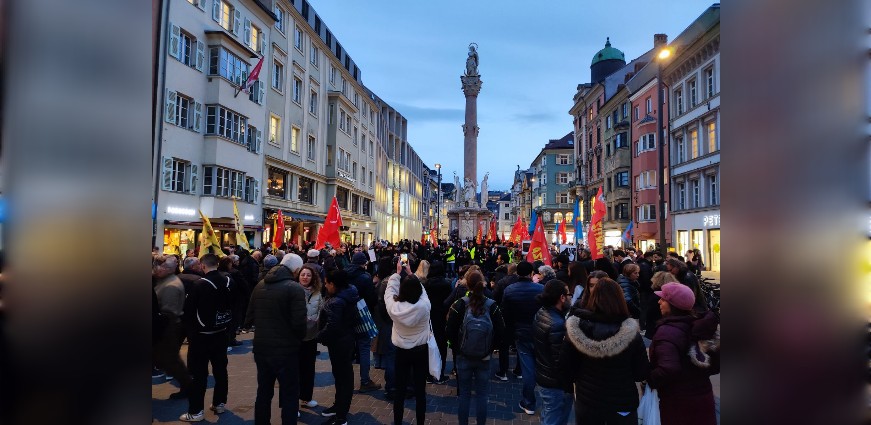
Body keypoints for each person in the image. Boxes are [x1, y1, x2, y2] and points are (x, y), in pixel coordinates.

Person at [560, 278, 650, 425]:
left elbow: (565, 367)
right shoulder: (631, 333)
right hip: (622, 402)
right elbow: (640, 372)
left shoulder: (576, 329)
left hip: (587, 401)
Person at [243, 252, 307, 425]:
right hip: (286, 350)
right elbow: (300, 324)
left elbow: (248, 318)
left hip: (262, 348)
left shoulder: (260, 285)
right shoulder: (295, 289)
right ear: (296, 270)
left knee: (264, 390)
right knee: (289, 393)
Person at [649, 282, 720, 425]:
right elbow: (716, 365)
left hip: (678, 402)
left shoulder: (667, 332)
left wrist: (650, 379)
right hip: (703, 396)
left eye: (663, 299)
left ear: (672, 304)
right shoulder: (699, 326)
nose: (659, 302)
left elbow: (668, 369)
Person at [446, 271, 505, 425]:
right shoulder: (492, 306)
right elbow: (501, 330)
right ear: (483, 284)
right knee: (482, 395)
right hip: (484, 356)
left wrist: (457, 349)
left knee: (464, 394)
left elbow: (450, 330)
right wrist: (490, 349)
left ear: (467, 284)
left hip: (463, 355)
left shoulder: (459, 304)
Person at [180, 254, 233, 422]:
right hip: (221, 332)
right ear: (217, 264)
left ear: (202, 265)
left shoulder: (200, 285)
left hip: (201, 336)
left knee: (198, 375)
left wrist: (190, 331)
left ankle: (196, 411)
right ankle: (219, 403)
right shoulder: (229, 281)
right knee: (220, 370)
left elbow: (188, 312)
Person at [385, 261, 431, 425]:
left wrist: (397, 274)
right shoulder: (425, 306)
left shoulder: (395, 308)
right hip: (420, 350)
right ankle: (420, 422)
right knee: (420, 391)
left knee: (400, 390)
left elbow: (388, 293)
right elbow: (422, 291)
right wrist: (411, 274)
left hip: (402, 351)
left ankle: (398, 421)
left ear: (402, 290)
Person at [317, 269, 359, 425]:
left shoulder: (337, 301)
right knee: (341, 375)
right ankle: (338, 406)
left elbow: (333, 325)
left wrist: (319, 336)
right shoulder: (348, 293)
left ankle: (341, 415)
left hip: (340, 342)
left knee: (344, 377)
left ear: (333, 284)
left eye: (327, 283)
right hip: (344, 340)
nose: (325, 286)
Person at [501, 261, 543, 415]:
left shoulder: (510, 290)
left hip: (520, 332)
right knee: (537, 365)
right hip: (539, 331)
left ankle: (529, 402)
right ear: (531, 273)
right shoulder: (540, 289)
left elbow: (505, 312)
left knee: (528, 368)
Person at [152, 254, 193, 400]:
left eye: (160, 267)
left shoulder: (171, 286)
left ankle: (187, 386)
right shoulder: (163, 280)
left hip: (167, 328)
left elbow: (168, 312)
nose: (156, 269)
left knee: (170, 360)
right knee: (168, 359)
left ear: (167, 269)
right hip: (164, 326)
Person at [533, 280, 573, 425]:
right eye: (568, 294)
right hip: (555, 383)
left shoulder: (541, 312)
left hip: (544, 376)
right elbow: (560, 360)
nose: (570, 297)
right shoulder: (557, 324)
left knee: (548, 415)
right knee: (553, 418)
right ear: (562, 297)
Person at [345, 252, 381, 393]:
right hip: (362, 314)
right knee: (364, 347)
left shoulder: (344, 274)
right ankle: (365, 381)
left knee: (348, 349)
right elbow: (371, 299)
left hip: (346, 315)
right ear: (363, 263)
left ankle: (346, 381)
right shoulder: (365, 277)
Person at [297, 264, 325, 409]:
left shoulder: (317, 292)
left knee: (308, 369)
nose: (305, 277)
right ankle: (292, 403)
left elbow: (321, 308)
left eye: (308, 275)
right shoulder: (293, 291)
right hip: (295, 338)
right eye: (303, 274)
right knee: (295, 371)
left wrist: (319, 319)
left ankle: (306, 398)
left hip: (311, 336)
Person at [422, 261, 452, 383]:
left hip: (429, 317)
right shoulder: (446, 284)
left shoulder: (426, 284)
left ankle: (428, 373)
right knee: (441, 345)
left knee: (429, 344)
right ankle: (440, 372)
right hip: (442, 316)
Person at [643, 271, 678, 340]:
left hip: (657, 329)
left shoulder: (656, 296)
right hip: (672, 328)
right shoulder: (674, 294)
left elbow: (650, 314)